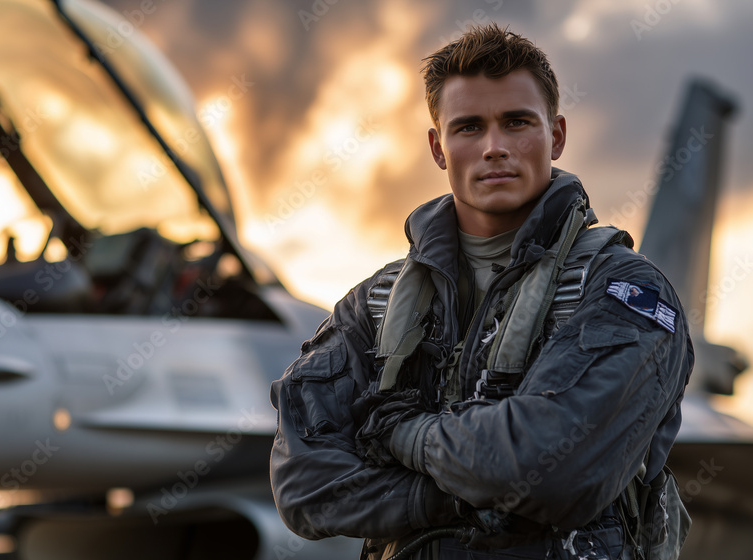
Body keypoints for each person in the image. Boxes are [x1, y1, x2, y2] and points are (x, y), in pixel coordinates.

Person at [269, 23, 693, 560]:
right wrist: (471, 495)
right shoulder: (373, 306)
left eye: (517, 123)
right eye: (468, 127)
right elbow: (305, 486)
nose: (494, 148)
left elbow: (553, 471)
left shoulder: (622, 292)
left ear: (556, 135)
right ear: (438, 147)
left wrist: (404, 437)